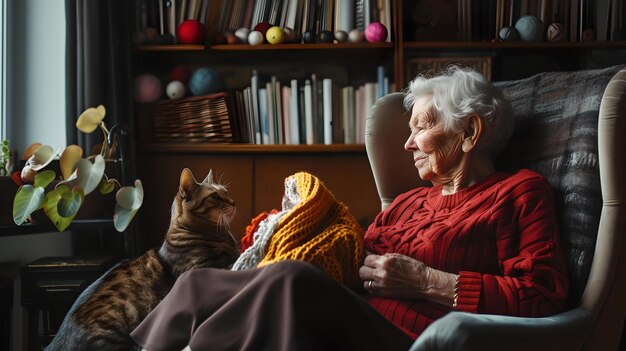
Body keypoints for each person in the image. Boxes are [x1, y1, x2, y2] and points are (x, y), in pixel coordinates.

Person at [130, 66, 569, 350]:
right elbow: (351, 256)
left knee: (290, 279)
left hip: (411, 337)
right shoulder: (409, 201)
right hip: (351, 314)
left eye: (423, 127)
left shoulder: (519, 192)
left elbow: (542, 294)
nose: (407, 143)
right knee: (199, 284)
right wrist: (291, 228)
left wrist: (428, 281)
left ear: (470, 132)